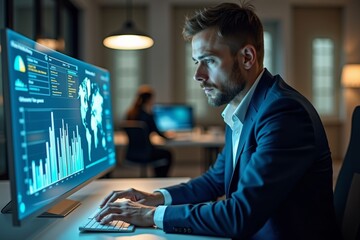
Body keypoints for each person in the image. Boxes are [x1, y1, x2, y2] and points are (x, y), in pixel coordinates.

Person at [96, 2, 340, 239]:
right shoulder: (243, 106)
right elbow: (214, 180)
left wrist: (152, 215)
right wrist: (155, 197)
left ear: (246, 57)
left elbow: (239, 215)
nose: (198, 75)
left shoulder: (283, 113)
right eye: (196, 62)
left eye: (209, 61)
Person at [125, 85, 173, 177]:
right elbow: (157, 133)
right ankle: (160, 179)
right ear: (149, 99)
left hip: (131, 153)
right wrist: (169, 137)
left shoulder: (130, 113)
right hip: (147, 153)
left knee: (159, 152)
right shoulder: (148, 115)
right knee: (167, 154)